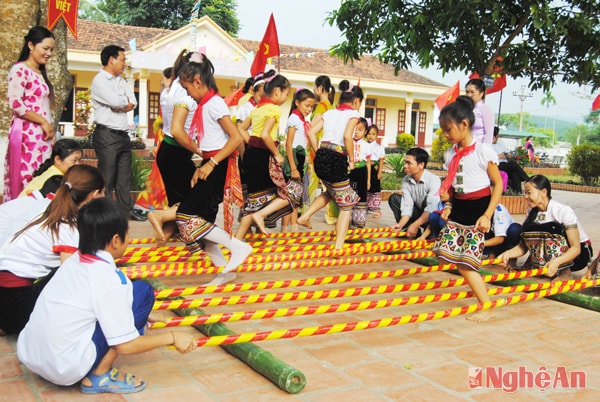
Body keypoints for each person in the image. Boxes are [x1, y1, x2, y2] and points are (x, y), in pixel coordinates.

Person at [17, 197, 196, 394]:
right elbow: (126, 345)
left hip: (32, 355)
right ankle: (100, 376)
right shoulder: (111, 280)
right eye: (128, 234)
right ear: (116, 240)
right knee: (143, 293)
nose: (129, 239)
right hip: (66, 367)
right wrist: (172, 337)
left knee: (135, 294)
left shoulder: (71, 262)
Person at [0, 164, 105, 335]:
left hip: (6, 294)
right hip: (14, 305)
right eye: (102, 192)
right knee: (77, 271)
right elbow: (70, 277)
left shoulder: (45, 204)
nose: (104, 197)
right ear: (94, 195)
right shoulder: (68, 227)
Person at [176, 52, 251, 286]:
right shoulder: (205, 104)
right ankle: (224, 273)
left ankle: (238, 247)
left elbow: (235, 137)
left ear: (197, 81)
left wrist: (211, 163)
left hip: (220, 167)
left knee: (185, 216)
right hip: (211, 164)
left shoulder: (215, 103)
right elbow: (211, 143)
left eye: (187, 88)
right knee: (201, 221)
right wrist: (202, 166)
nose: (187, 93)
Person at [433, 95, 503, 322]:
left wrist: (487, 215)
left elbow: (498, 184)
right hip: (460, 207)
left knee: (466, 264)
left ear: (464, 124)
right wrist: (448, 204)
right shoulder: (451, 154)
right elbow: (453, 186)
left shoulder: (483, 151)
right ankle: (482, 298)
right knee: (444, 255)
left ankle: (487, 307)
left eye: (448, 129)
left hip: (478, 210)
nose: (445, 134)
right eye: (443, 130)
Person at [297, 80, 362, 250]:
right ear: (356, 102)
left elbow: (311, 132)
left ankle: (306, 216)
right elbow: (348, 136)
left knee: (331, 192)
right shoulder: (353, 114)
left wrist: (319, 151)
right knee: (346, 205)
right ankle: (339, 246)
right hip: (336, 157)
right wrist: (351, 160)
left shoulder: (330, 112)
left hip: (322, 155)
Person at [498, 175, 593, 281]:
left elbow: (576, 249)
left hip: (578, 256)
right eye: (525, 193)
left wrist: (557, 262)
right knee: (531, 231)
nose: (525, 196)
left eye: (529, 193)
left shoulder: (563, 211)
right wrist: (508, 254)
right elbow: (523, 246)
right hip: (551, 254)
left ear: (544, 192)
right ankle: (537, 266)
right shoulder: (531, 211)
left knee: (551, 229)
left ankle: (565, 273)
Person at [236, 71, 296, 237]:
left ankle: (238, 240)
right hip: (264, 157)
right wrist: (276, 154)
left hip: (251, 155)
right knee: (289, 194)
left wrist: (252, 144)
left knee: (253, 200)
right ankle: (261, 215)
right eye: (286, 94)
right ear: (277, 92)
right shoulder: (274, 109)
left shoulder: (256, 108)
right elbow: (265, 134)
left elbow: (241, 128)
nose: (285, 98)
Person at [148, 51, 200, 245]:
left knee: (179, 201)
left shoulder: (172, 87)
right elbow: (178, 131)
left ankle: (163, 238)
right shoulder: (184, 93)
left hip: (169, 151)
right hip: (177, 151)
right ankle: (159, 217)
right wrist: (200, 151)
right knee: (193, 200)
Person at [4, 26, 56, 201]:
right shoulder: (19, 70)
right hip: (26, 135)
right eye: (45, 48)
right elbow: (15, 103)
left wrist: (50, 130)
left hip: (42, 137)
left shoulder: (40, 74)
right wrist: (42, 122)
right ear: (31, 45)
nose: (49, 53)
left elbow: (44, 106)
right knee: (25, 180)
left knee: (40, 180)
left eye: (52, 50)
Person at [91, 45, 139, 220]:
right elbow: (115, 101)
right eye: (123, 59)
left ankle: (125, 211)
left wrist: (121, 104)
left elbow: (132, 102)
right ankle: (104, 212)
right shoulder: (99, 80)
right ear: (112, 59)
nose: (125, 63)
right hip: (106, 135)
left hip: (122, 135)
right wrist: (121, 103)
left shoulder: (122, 81)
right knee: (107, 176)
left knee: (124, 177)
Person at [281, 88, 316, 232]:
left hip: (299, 160)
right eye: (306, 106)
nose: (309, 109)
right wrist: (293, 167)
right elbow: (289, 144)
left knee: (294, 200)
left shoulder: (301, 119)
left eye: (311, 107)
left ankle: (293, 231)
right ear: (297, 103)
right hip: (293, 161)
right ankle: (284, 232)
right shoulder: (294, 118)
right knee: (289, 199)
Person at [389, 148, 441, 238]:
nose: (405, 166)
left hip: (431, 216)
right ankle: (409, 229)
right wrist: (400, 224)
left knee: (430, 201)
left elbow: (432, 208)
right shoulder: (406, 180)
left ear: (421, 165)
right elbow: (407, 205)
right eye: (405, 162)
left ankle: (426, 230)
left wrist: (416, 224)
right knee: (394, 198)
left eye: (409, 163)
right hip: (418, 211)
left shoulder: (433, 180)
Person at [310, 75, 337, 224]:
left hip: (316, 148)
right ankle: (332, 215)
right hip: (329, 148)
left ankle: (305, 213)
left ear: (320, 88)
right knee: (330, 184)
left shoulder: (321, 106)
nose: (314, 90)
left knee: (311, 183)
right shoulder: (332, 107)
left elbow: (312, 129)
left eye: (315, 87)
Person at [349, 118, 371, 228]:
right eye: (354, 129)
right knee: (349, 194)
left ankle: (359, 222)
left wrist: (368, 180)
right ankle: (347, 220)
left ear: (365, 131)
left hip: (361, 172)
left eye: (360, 130)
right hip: (349, 170)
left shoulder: (366, 145)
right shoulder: (347, 143)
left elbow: (368, 163)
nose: (356, 132)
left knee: (361, 194)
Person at [492, 126, 529, 193]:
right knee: (512, 163)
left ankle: (518, 194)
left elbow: (508, 156)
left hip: (505, 164)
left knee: (515, 174)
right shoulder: (487, 145)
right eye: (497, 136)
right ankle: (527, 179)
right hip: (496, 166)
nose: (498, 137)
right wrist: (497, 156)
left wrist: (508, 156)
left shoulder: (500, 144)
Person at [465, 78, 494, 144]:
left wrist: (484, 151)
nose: (469, 95)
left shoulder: (485, 109)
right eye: (467, 92)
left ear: (481, 93)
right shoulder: (465, 109)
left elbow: (488, 134)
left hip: (479, 149)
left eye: (472, 92)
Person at [366, 124, 385, 218]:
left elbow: (381, 160)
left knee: (375, 189)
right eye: (369, 133)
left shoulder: (379, 147)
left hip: (374, 169)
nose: (370, 136)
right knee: (366, 188)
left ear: (376, 135)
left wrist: (380, 172)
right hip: (366, 168)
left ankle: (375, 209)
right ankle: (366, 207)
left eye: (373, 134)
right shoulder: (364, 145)